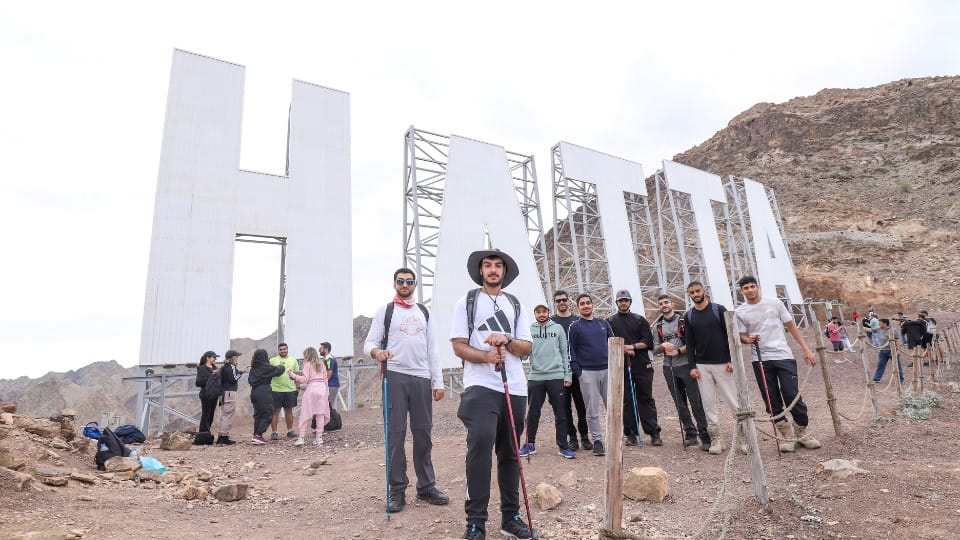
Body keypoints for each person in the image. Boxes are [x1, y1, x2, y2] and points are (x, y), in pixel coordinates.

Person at [452, 249, 533, 540]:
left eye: (498, 265)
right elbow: (458, 345)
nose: (493, 270)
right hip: (480, 386)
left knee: (510, 453)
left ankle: (511, 518)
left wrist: (507, 339)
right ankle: (475, 523)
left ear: (504, 272)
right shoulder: (467, 302)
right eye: (487, 265)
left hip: (515, 386)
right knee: (480, 446)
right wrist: (486, 356)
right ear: (480, 271)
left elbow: (526, 347)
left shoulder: (515, 304)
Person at [364, 267, 449, 514]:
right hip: (395, 376)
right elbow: (369, 342)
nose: (404, 284)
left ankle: (426, 487)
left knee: (423, 433)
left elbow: (433, 347)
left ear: (415, 284)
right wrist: (376, 352)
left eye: (409, 281)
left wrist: (438, 382)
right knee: (396, 434)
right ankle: (397, 490)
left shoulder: (424, 312)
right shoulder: (386, 311)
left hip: (421, 377)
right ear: (394, 284)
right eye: (400, 281)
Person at [735, 276, 821, 452]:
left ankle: (802, 431)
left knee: (791, 394)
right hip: (760, 359)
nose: (750, 290)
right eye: (746, 288)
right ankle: (786, 435)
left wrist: (806, 349)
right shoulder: (740, 311)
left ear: (757, 287)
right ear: (741, 291)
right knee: (771, 399)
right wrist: (747, 339)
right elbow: (742, 335)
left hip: (783, 355)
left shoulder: (775, 303)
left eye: (752, 286)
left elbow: (791, 326)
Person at [684, 281, 742, 455]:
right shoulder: (689, 316)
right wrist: (692, 366)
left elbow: (730, 335)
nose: (696, 294)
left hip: (723, 363)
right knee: (708, 404)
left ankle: (743, 438)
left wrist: (731, 359)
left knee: (734, 402)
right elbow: (690, 343)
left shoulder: (719, 309)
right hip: (702, 366)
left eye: (698, 291)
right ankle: (716, 439)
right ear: (689, 294)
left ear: (704, 290)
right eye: (692, 292)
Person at [651, 294, 710, 450]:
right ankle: (690, 434)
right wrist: (662, 346)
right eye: (661, 303)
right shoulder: (658, 326)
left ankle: (705, 434)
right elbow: (655, 349)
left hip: (686, 365)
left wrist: (677, 351)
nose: (664, 305)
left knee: (696, 401)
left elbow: (692, 343)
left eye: (666, 302)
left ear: (672, 304)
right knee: (680, 403)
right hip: (668, 368)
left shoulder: (684, 321)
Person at [519, 303, 575, 460]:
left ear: (548, 312)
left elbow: (564, 353)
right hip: (535, 376)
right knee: (533, 412)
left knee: (561, 413)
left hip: (556, 376)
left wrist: (568, 375)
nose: (541, 314)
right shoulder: (529, 330)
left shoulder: (557, 328)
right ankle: (529, 444)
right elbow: (524, 354)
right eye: (538, 312)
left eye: (544, 311)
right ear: (535, 314)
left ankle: (563, 446)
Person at [606, 289, 661, 447]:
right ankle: (631, 434)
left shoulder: (639, 320)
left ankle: (653, 432)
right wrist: (623, 349)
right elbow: (609, 341)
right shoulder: (610, 321)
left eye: (626, 300)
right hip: (621, 365)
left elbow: (648, 342)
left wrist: (632, 346)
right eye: (620, 300)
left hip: (642, 365)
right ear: (616, 303)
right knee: (627, 400)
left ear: (630, 302)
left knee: (645, 398)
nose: (623, 303)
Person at [568, 293, 614, 457]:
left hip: (607, 370)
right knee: (592, 409)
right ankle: (598, 441)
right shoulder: (575, 327)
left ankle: (614, 438)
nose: (586, 306)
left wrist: (615, 366)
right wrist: (578, 371)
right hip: (587, 373)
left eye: (588, 303)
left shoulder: (603, 323)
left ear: (592, 305)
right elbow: (571, 349)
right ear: (578, 307)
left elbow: (613, 342)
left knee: (612, 407)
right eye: (582, 304)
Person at [551, 289, 590, 451]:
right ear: (554, 303)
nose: (561, 302)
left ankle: (585, 436)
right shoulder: (551, 322)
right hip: (560, 371)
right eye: (558, 300)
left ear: (568, 301)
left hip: (578, 370)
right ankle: (572, 437)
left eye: (564, 300)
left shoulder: (577, 321)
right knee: (564, 407)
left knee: (582, 405)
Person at [289, 346, 330, 446]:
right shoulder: (322, 364)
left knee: (306, 413)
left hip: (312, 389)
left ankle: (301, 438)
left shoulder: (307, 365)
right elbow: (325, 379)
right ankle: (319, 438)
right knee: (320, 414)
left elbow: (304, 379)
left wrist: (292, 375)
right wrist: (326, 391)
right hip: (322, 389)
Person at [248, 349, 286, 444]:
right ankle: (258, 434)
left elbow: (249, 380)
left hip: (254, 391)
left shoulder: (253, 368)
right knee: (268, 413)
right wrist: (282, 365)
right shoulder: (265, 367)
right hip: (264, 391)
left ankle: (256, 435)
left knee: (258, 414)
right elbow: (278, 370)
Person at [269, 343, 300, 441]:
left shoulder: (293, 360)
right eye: (281, 349)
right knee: (275, 412)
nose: (283, 351)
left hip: (290, 390)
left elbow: (296, 374)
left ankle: (290, 431)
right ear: (278, 350)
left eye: (284, 349)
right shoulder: (273, 360)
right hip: (276, 390)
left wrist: (297, 387)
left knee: (289, 411)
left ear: (287, 349)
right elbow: (268, 373)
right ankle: (274, 432)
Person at [216, 350, 244, 445]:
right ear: (233, 357)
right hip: (229, 393)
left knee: (224, 415)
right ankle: (224, 437)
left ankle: (221, 436)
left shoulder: (224, 367)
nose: (238, 358)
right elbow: (233, 379)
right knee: (229, 415)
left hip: (223, 393)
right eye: (237, 356)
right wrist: (241, 372)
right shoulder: (231, 367)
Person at [194, 350, 220, 445]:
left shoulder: (216, 368)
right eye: (214, 357)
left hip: (214, 395)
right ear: (207, 358)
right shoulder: (202, 369)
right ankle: (203, 434)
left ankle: (207, 433)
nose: (215, 359)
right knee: (206, 414)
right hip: (206, 395)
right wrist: (212, 376)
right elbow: (198, 382)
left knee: (211, 414)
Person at [873, 319, 904, 384]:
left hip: (892, 350)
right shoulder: (878, 329)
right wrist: (859, 325)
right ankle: (877, 378)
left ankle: (901, 379)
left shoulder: (893, 330)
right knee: (880, 365)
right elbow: (869, 330)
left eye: (880, 323)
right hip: (882, 350)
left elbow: (898, 340)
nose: (879, 324)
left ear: (885, 323)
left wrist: (899, 350)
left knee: (897, 365)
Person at [320, 342, 340, 410]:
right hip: (330, 385)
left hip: (331, 385)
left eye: (321, 348)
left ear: (326, 349)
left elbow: (329, 372)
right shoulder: (326, 358)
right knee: (327, 406)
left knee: (328, 407)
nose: (319, 350)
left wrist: (322, 383)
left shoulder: (329, 358)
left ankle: (331, 417)